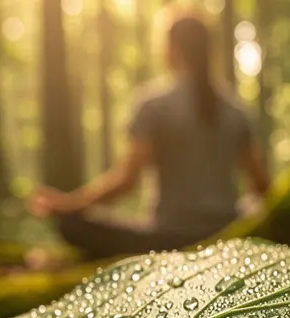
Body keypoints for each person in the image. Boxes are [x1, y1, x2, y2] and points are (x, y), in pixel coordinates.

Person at [28, 11, 271, 260]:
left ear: (173, 48)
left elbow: (126, 182)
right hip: (227, 235)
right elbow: (262, 187)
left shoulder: (154, 105)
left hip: (167, 239)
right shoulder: (236, 110)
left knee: (70, 224)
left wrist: (69, 205)